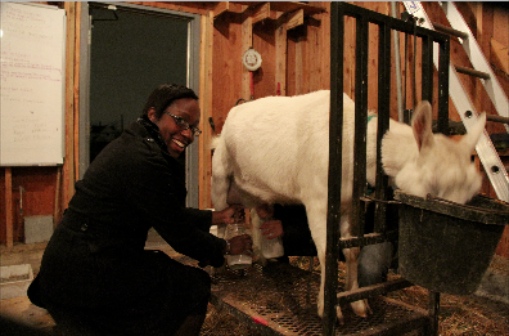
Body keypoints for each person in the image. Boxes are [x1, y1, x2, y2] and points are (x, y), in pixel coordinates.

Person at [27, 84, 252, 336]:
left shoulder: (133, 144)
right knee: (193, 285)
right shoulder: (144, 159)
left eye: (193, 126)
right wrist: (225, 248)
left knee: (160, 266)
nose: (187, 133)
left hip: (69, 267)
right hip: (86, 274)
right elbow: (177, 232)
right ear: (153, 115)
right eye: (180, 121)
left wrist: (215, 216)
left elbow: (162, 211)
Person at [255, 203, 394, 287]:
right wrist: (276, 211)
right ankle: (280, 298)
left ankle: (369, 319)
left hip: (373, 230)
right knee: (271, 246)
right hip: (318, 230)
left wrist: (289, 227)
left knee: (370, 269)